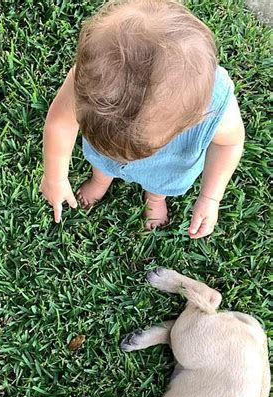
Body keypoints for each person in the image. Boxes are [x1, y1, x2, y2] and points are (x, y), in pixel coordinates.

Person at [40, 0, 245, 239]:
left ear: (192, 118)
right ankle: (100, 180)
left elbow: (229, 143)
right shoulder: (91, 79)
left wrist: (210, 197)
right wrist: (55, 177)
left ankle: (155, 198)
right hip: (102, 158)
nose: (124, 157)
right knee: (103, 164)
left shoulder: (216, 106)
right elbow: (60, 122)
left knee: (159, 185)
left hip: (168, 168)